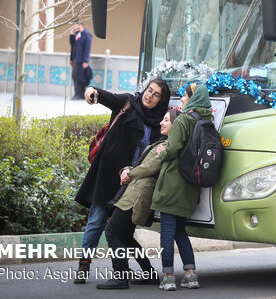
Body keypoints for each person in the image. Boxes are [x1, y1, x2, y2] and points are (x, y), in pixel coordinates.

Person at [73, 79, 171, 284]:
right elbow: (105, 96)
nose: (149, 96)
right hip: (109, 175)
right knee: (97, 220)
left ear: (161, 100)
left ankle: (124, 270)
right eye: (149, 90)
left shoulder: (160, 121)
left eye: (156, 95)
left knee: (123, 229)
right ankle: (84, 264)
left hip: (134, 181)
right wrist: (91, 91)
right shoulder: (128, 103)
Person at [96, 109, 181, 290]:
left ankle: (120, 277)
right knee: (125, 236)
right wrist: (125, 170)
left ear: (176, 125)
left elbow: (151, 168)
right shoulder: (160, 143)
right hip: (135, 192)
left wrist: (130, 174)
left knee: (112, 232)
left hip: (137, 196)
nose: (161, 123)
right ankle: (149, 274)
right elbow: (142, 164)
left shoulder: (167, 147)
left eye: (166, 120)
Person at [151, 83, 212, 291]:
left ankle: (168, 276)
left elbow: (173, 148)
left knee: (167, 231)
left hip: (173, 184)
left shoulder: (184, 119)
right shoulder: (206, 121)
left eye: (184, 96)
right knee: (180, 231)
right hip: (190, 185)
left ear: (192, 99)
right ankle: (190, 275)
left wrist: (162, 152)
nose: (182, 99)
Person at [69, 20, 93, 100]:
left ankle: (80, 94)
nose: (74, 27)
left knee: (78, 76)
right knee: (75, 76)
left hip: (81, 60)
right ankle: (78, 94)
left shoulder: (86, 35)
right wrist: (71, 59)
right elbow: (72, 46)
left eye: (75, 25)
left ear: (80, 25)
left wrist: (85, 61)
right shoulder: (77, 34)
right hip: (76, 59)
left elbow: (87, 49)